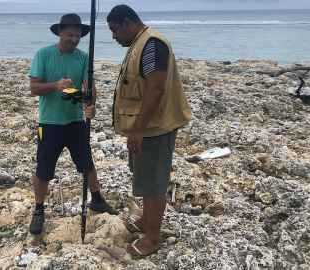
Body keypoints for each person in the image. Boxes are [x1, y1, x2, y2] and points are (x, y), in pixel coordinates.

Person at [106, 5, 192, 257]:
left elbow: (155, 89)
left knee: (154, 183)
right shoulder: (140, 43)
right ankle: (147, 221)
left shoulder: (152, 45)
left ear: (127, 23)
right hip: (146, 128)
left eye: (114, 30)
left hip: (153, 128)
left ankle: (153, 237)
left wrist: (138, 130)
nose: (113, 36)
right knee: (144, 177)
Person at [28, 13, 118, 235]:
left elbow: (89, 90)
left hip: (76, 121)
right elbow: (34, 88)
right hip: (49, 123)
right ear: (60, 32)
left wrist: (91, 104)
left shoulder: (83, 58)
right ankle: (39, 209)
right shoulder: (43, 55)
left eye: (78, 36)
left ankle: (96, 199)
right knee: (44, 168)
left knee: (86, 162)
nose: (74, 40)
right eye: (70, 35)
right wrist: (56, 85)